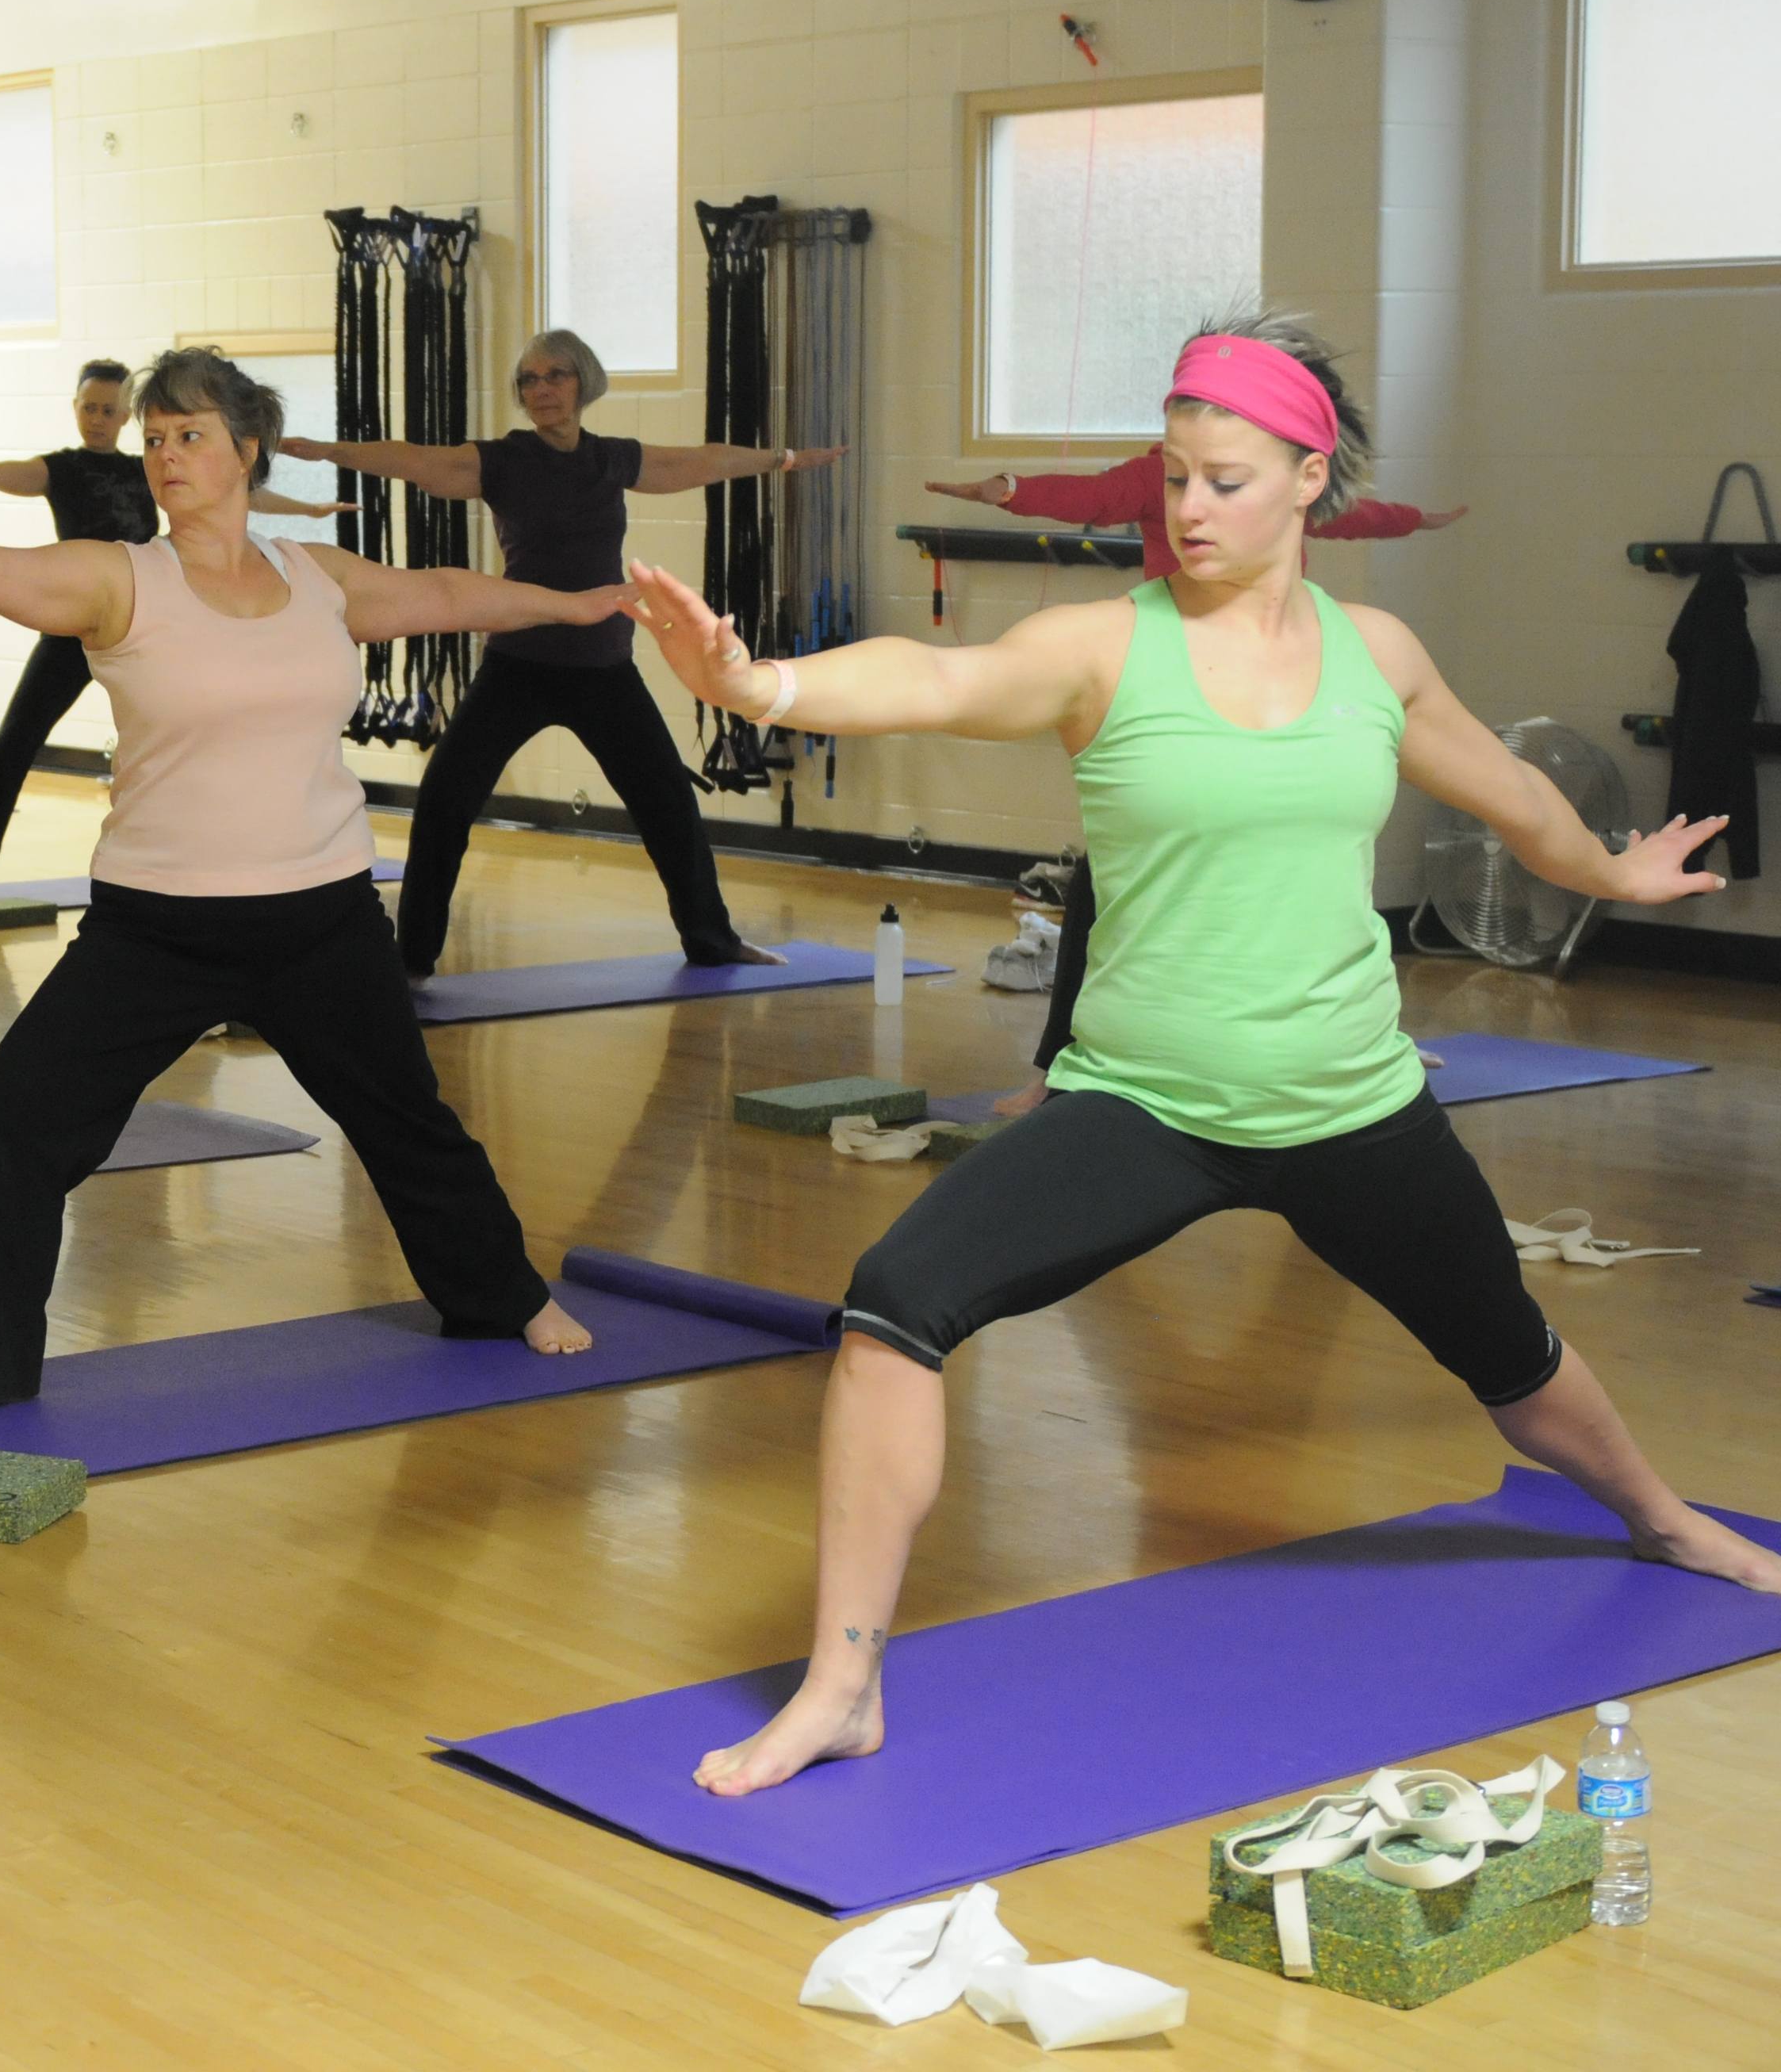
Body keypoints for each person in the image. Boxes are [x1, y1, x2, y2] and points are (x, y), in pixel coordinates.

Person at [619, 313, 1780, 1798]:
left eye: (1223, 479)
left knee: (1510, 1357)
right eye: (1170, 475)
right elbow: (931, 676)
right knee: (891, 1307)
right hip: (1141, 1104)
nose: (1183, 508)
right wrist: (755, 685)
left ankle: (1657, 1514)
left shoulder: (1376, 654)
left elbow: (1503, 792)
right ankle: (841, 1681)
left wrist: (1612, 876)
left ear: (1309, 479)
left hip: (1350, 1101)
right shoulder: (1100, 648)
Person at [0, 346, 634, 1416]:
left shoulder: (315, 577)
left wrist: (573, 607)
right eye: (153, 439)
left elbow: (439, 593)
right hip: (157, 928)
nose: (164, 455)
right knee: (22, 1113)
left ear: (247, 449)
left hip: (323, 914)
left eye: (189, 434)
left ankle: (504, 1297)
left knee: (407, 1119)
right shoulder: (119, 576)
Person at [925, 442, 1470, 1112]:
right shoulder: (1163, 474)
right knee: (1104, 888)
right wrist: (1007, 487)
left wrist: (1416, 519)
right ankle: (1056, 1074)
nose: (1198, 501)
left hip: (1276, 680)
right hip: (1181, 676)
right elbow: (1089, 498)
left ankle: (1362, 1041)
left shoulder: (1263, 481)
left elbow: (1345, 512)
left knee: (1319, 879)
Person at [282, 330, 837, 976]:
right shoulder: (505, 461)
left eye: (556, 375)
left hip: (604, 668)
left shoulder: (611, 459)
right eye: (529, 380)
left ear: (583, 383)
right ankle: (412, 957)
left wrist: (785, 459)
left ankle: (712, 940)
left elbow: (700, 462)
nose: (542, 389)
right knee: (445, 804)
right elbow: (414, 459)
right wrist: (329, 451)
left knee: (668, 806)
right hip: (519, 664)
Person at [0, 357, 341, 906]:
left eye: (108, 410)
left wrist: (310, 510)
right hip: (76, 624)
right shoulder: (61, 469)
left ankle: (223, 858)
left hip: (150, 619)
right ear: (76, 410)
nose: (97, 419)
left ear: (124, 417)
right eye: (89, 408)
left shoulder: (147, 469)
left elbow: (241, 490)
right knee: (14, 743)